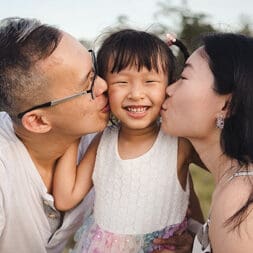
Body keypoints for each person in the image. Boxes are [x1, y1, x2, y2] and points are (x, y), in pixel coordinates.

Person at [53, 29, 204, 253]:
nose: (136, 93)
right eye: (122, 82)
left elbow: (230, 173)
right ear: (104, 86)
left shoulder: (179, 142)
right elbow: (66, 198)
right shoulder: (103, 142)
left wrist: (198, 239)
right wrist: (73, 131)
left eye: (150, 81)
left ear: (169, 87)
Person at [0, 17, 109, 253]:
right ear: (38, 121)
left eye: (95, 70)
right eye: (88, 84)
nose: (104, 86)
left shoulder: (96, 136)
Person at [161, 32, 253, 253]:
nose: (168, 89)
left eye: (183, 78)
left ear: (226, 106)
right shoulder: (236, 185)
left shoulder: (240, 204)